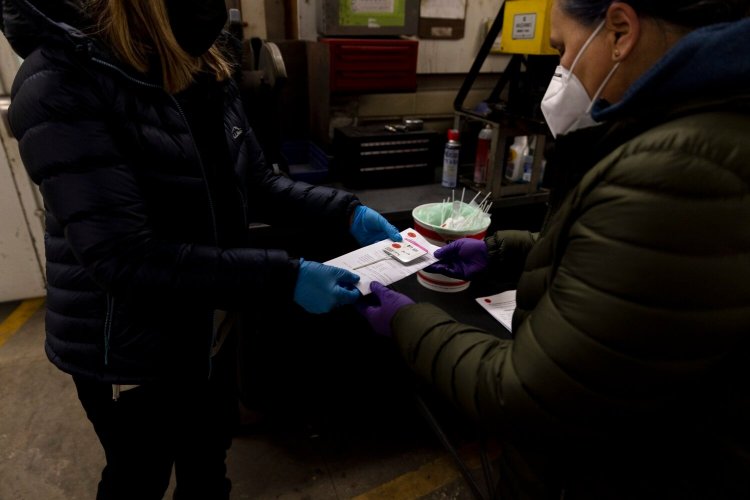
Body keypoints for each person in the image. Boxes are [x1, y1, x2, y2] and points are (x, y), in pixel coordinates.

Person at [0, 0, 402, 498]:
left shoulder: (201, 63)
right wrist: (284, 278)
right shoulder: (62, 81)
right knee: (137, 476)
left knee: (208, 463)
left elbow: (254, 180)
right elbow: (123, 257)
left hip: (207, 329)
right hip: (129, 349)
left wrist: (344, 212)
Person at [359, 1, 750, 498]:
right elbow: (630, 269)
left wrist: (405, 320)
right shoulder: (706, 126)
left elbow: (524, 396)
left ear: (620, 31)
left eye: (562, 49)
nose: (560, 71)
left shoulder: (676, 164)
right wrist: (507, 251)